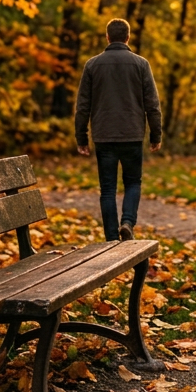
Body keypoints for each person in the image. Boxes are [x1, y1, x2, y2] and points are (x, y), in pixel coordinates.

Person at [75, 18, 163, 241]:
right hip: (132, 134)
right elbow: (152, 103)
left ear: (107, 37)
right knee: (133, 182)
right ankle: (128, 222)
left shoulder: (92, 65)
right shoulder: (141, 64)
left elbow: (83, 105)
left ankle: (111, 237)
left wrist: (81, 137)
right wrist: (155, 134)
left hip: (104, 136)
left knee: (107, 189)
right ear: (128, 37)